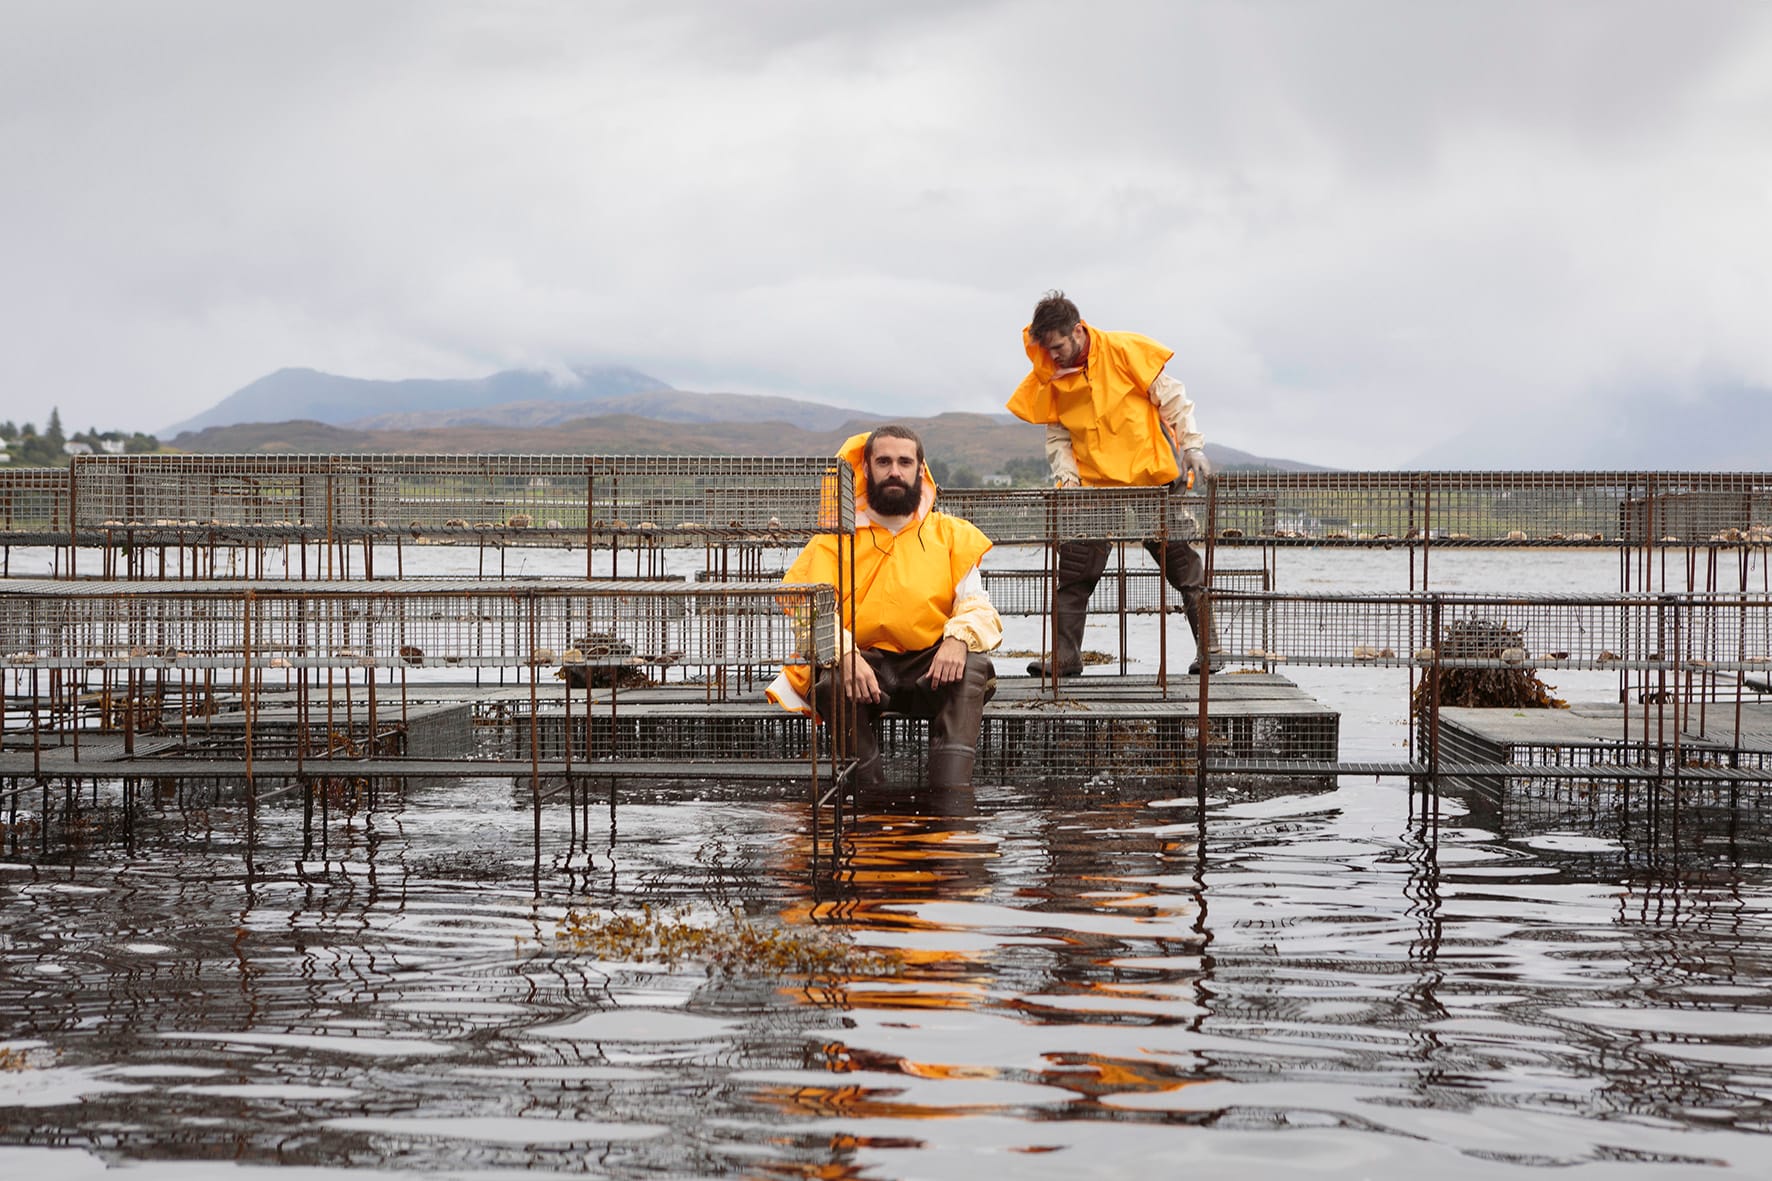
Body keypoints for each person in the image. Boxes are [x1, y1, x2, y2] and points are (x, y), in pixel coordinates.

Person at [768, 426, 1002, 790]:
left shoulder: (951, 534)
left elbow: (978, 606)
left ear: (920, 471)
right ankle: (869, 801)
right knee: (830, 681)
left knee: (973, 665)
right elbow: (808, 613)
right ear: (866, 470)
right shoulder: (831, 542)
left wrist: (957, 639)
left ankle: (951, 807)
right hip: (861, 666)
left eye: (904, 462)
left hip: (929, 667)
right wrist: (844, 654)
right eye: (884, 461)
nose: (895, 471)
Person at [1007, 289, 1221, 677]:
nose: (1053, 356)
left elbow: (1171, 397)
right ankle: (1066, 657)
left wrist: (1192, 447)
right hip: (1093, 486)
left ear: (1077, 330)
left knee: (1181, 564)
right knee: (1074, 569)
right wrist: (1068, 478)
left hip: (1150, 478)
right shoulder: (1051, 374)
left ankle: (1210, 650)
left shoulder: (1124, 350)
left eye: (1057, 346)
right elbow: (1057, 436)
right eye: (1047, 349)